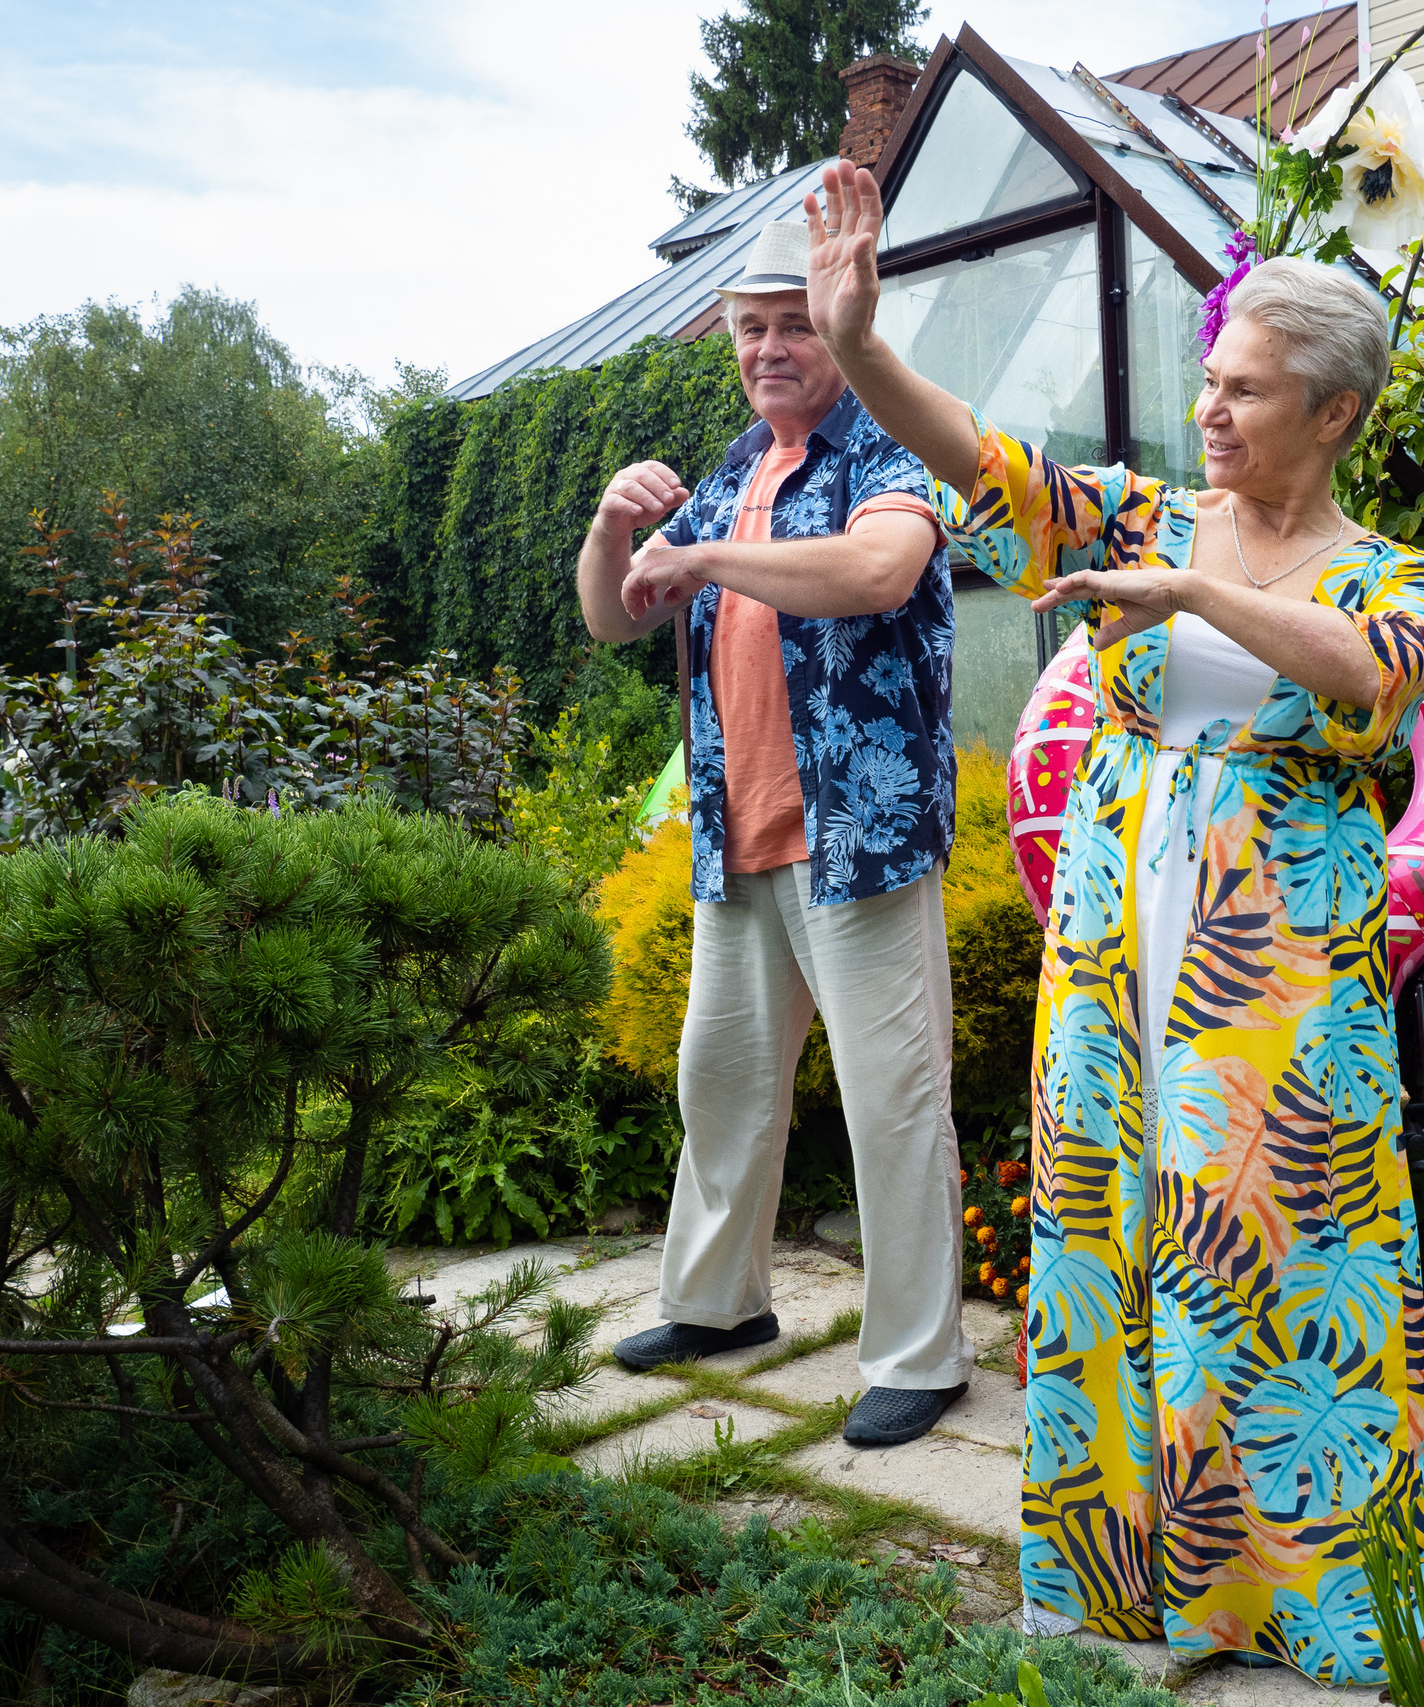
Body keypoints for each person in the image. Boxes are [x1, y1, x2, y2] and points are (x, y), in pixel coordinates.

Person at [796, 161, 1424, 1683]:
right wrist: (861, 346)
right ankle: (1127, 1585)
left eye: (1246, 391)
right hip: (1113, 951)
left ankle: (1306, 1600)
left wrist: (1193, 594)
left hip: (1275, 971)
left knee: (1275, 1250)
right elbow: (987, 464)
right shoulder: (1151, 511)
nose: (1210, 411)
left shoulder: (1397, 578)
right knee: (1109, 1239)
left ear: (1335, 412)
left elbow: (1366, 675)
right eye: (1209, 383)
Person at [578, 220, 975, 1449]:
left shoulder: (883, 455)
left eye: (793, 322)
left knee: (892, 1102)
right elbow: (616, 620)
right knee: (722, 1087)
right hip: (736, 839)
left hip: (858, 839)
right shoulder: (733, 468)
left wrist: (709, 552)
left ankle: (922, 1357)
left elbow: (877, 574)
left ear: (843, 325)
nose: (769, 348)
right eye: (750, 329)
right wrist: (610, 531)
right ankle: (716, 1307)